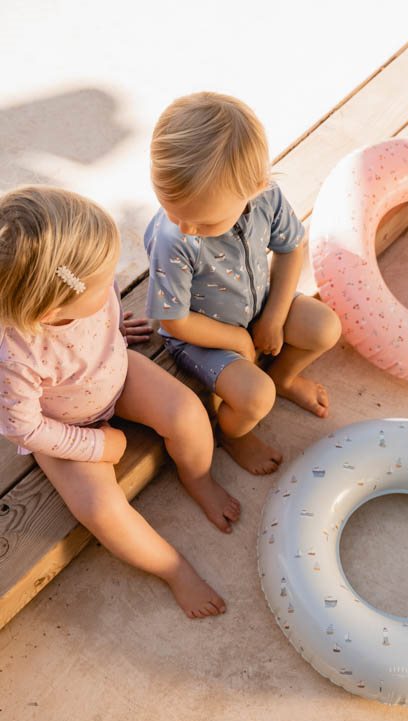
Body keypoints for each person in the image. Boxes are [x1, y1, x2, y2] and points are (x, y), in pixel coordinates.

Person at [0, 186, 240, 618]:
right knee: (101, 509)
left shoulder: (78, 284)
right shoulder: (16, 356)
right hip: (62, 424)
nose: (113, 278)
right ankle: (173, 568)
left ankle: (198, 477)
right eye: (102, 282)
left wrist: (110, 329)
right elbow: (25, 427)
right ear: (49, 311)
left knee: (186, 411)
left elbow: (93, 310)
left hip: (114, 373)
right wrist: (97, 446)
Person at [145, 92, 342, 475]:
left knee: (325, 327)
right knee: (255, 398)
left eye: (202, 222)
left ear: (255, 188)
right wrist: (235, 340)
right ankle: (232, 434)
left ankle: (283, 376)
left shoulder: (266, 197)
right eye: (171, 209)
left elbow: (290, 247)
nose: (185, 228)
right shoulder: (175, 238)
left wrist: (274, 317)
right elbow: (173, 321)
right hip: (200, 335)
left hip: (256, 306)